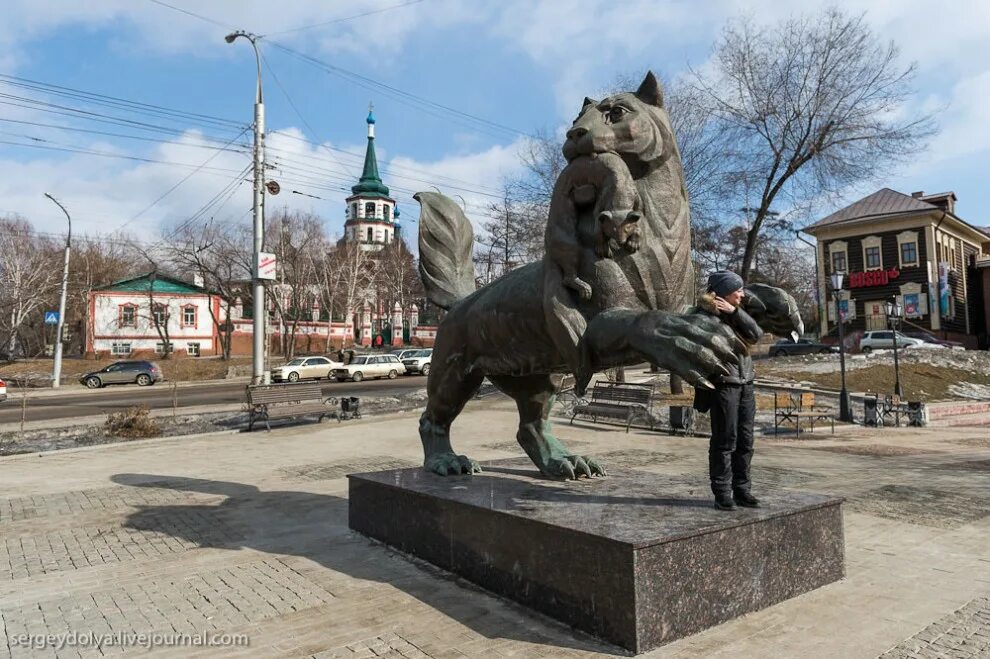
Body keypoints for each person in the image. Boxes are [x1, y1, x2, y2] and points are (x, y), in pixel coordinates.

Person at [695, 270, 764, 511]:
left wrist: (734, 313)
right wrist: (720, 314)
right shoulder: (705, 317)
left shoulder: (737, 313)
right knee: (726, 440)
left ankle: (742, 490)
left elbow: (756, 334)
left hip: (746, 383)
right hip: (724, 385)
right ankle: (722, 492)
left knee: (746, 441)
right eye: (738, 291)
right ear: (724, 293)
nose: (742, 294)